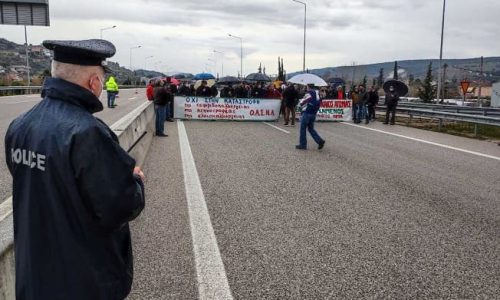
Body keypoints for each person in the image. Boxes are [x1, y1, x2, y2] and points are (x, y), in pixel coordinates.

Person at [4, 39, 145, 300]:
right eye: (101, 80)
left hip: (33, 275)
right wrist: (134, 181)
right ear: (94, 83)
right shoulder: (88, 132)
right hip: (82, 278)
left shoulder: (20, 125)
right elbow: (120, 205)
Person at [296, 84, 326, 150]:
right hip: (313, 113)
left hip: (307, 113)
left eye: (306, 87)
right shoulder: (318, 94)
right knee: (311, 128)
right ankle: (320, 141)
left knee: (303, 129)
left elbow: (301, 103)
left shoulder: (309, 93)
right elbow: (320, 101)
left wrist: (300, 104)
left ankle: (303, 145)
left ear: (308, 87)